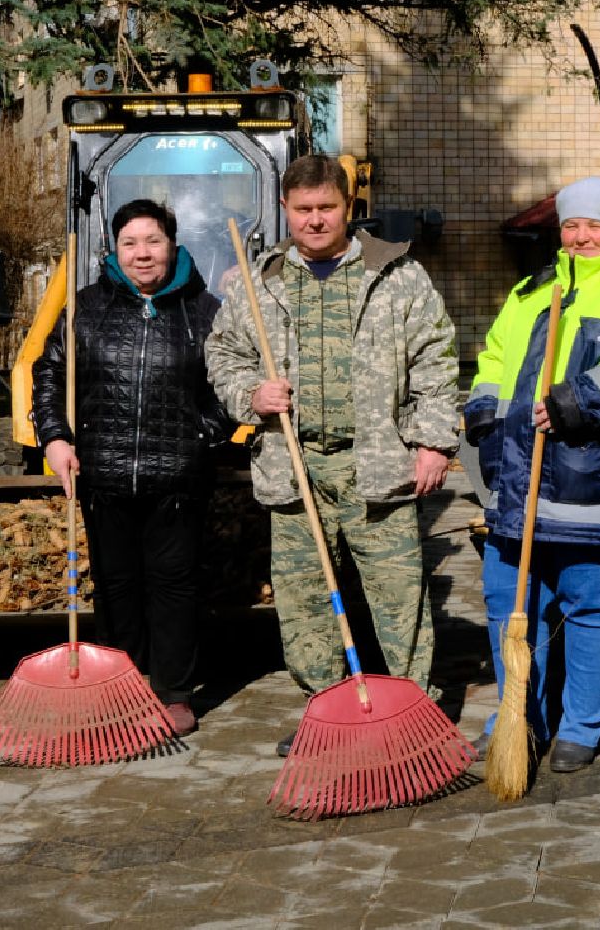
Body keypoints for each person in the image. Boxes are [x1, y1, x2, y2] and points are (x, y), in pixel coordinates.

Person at [205, 154, 460, 755]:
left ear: (348, 208)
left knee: (399, 600)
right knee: (307, 604)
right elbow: (225, 356)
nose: (316, 221)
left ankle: (411, 713)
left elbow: (437, 361)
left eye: (327, 208)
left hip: (377, 465)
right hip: (294, 468)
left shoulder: (397, 276)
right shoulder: (258, 281)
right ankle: (328, 711)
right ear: (286, 212)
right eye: (303, 210)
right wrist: (251, 394)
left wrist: (433, 442)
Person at [464, 176, 600, 772]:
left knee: (592, 599)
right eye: (571, 224)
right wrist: (486, 413)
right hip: (520, 482)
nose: (581, 235)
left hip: (599, 479)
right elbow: (494, 356)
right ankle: (519, 716)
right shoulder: (532, 289)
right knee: (509, 601)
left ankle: (580, 726)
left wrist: (578, 401)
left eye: (595, 224)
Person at [32, 199, 224, 738]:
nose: (142, 254)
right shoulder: (86, 307)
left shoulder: (204, 310)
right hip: (105, 472)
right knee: (116, 584)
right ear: (114, 251)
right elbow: (49, 375)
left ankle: (174, 692)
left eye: (153, 241)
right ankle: (125, 684)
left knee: (174, 584)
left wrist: (200, 434)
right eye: (130, 243)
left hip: (178, 478)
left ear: (172, 245)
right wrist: (55, 437)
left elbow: (231, 385)